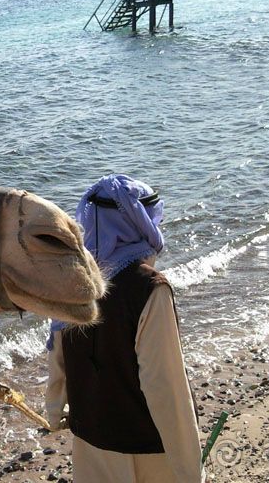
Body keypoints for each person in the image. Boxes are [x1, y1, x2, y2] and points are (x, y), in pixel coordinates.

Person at [45, 174, 202, 482]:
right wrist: (190, 467)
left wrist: (53, 410)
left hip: (90, 440)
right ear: (139, 221)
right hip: (144, 450)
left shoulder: (73, 281)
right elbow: (165, 387)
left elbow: (57, 355)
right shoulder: (150, 288)